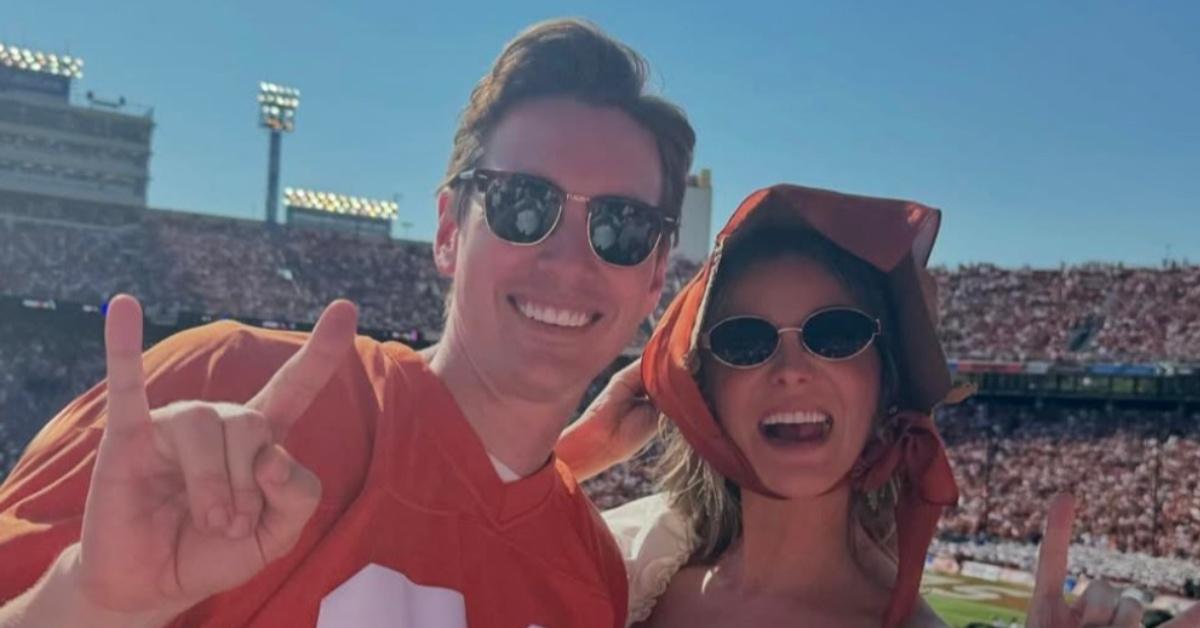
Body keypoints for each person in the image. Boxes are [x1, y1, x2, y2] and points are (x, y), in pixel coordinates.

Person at [0, 18, 694, 628]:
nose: (568, 258)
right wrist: (92, 606)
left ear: (657, 273)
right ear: (450, 229)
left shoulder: (593, 574)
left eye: (621, 225)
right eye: (524, 203)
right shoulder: (221, 388)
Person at [560, 184, 1187, 627]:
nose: (792, 371)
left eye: (835, 334)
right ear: (707, 397)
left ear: (884, 383)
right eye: (744, 341)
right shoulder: (626, 565)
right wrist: (567, 459)